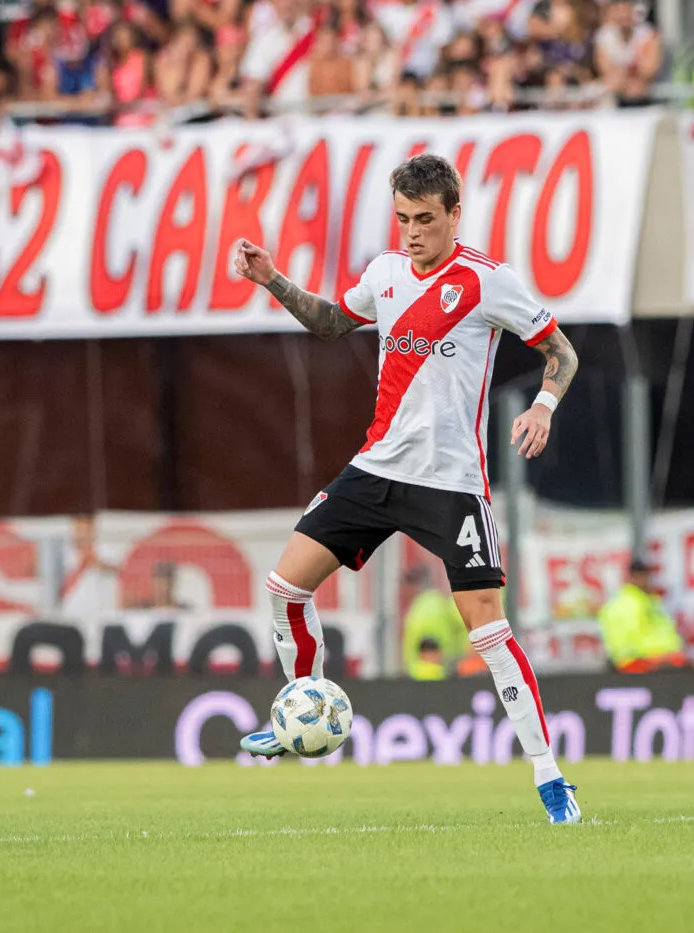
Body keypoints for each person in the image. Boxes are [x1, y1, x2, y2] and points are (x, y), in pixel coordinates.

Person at [230, 153, 583, 824]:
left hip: (451, 484)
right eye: (402, 219)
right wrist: (271, 278)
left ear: (455, 214)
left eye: (425, 219)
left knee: (488, 625)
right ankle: (301, 706)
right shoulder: (386, 272)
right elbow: (333, 322)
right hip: (377, 467)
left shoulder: (487, 281)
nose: (412, 232)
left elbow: (561, 351)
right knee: (285, 588)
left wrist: (543, 406)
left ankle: (550, 776)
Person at [597, 558, 688, 673]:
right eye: (640, 576)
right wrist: (654, 659)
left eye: (645, 576)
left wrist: (671, 655)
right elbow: (626, 647)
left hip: (663, 661)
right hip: (638, 664)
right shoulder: (624, 605)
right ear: (631, 577)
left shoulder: (652, 601)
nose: (645, 580)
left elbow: (668, 635)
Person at [401, 566, 467, 675]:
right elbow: (461, 624)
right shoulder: (440, 602)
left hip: (419, 671)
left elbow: (409, 643)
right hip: (444, 668)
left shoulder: (416, 609)